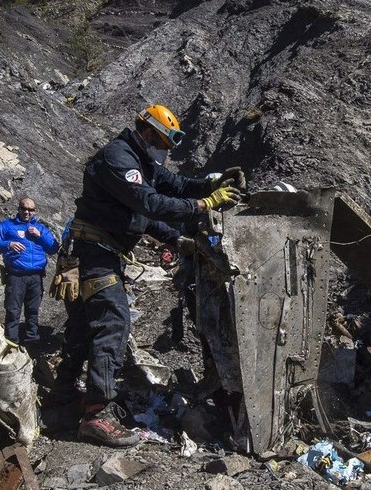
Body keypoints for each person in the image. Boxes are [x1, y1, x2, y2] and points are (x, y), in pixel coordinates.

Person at [48, 104, 246, 447]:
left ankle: (62, 397)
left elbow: (177, 188)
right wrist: (206, 205)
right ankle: (96, 415)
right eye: (163, 144)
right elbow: (150, 204)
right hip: (94, 253)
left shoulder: (144, 164)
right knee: (112, 322)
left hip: (97, 251)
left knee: (82, 327)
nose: (165, 152)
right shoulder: (118, 157)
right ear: (148, 131)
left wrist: (211, 186)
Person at [0, 197, 59, 347]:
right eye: (24, 209)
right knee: (13, 311)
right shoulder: (7, 226)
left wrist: (40, 236)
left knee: (33, 312)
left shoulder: (41, 229)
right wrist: (8, 244)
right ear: (18, 209)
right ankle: (11, 344)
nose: (27, 212)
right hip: (16, 276)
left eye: (30, 210)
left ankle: (32, 344)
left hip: (36, 277)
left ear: (35, 211)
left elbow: (54, 248)